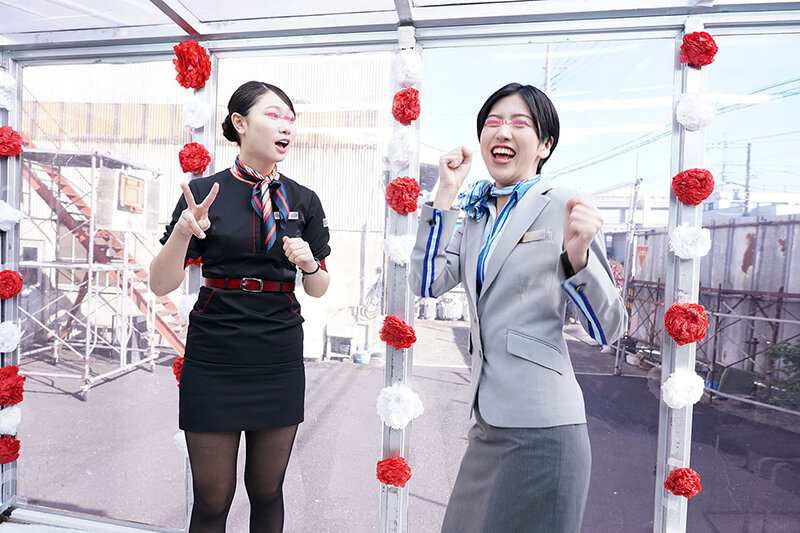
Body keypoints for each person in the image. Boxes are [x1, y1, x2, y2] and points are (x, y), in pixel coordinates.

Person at [409, 83, 625, 533]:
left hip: (545, 429)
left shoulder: (565, 204)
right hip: (488, 423)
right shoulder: (476, 212)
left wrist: (578, 258)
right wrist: (445, 194)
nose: (502, 131)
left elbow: (608, 329)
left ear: (545, 145)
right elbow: (427, 283)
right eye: (493, 122)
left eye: (519, 123)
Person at [149, 81, 331, 533]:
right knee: (213, 500)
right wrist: (184, 231)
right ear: (240, 123)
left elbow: (319, 288)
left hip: (277, 355)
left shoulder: (304, 199)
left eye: (290, 119)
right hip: (214, 355)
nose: (286, 126)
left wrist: (310, 265)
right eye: (274, 115)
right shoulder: (203, 191)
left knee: (267, 491)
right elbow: (160, 283)